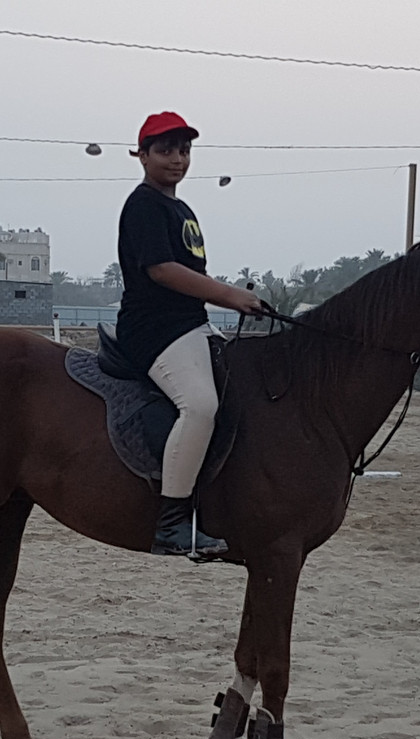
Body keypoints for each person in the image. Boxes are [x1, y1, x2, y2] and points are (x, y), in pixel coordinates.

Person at [115, 111, 264, 556]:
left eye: (184, 150)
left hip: (189, 325)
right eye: (165, 150)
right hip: (154, 330)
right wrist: (230, 296)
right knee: (199, 406)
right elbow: (162, 270)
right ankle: (171, 522)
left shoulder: (181, 209)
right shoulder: (143, 205)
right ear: (142, 155)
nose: (177, 159)